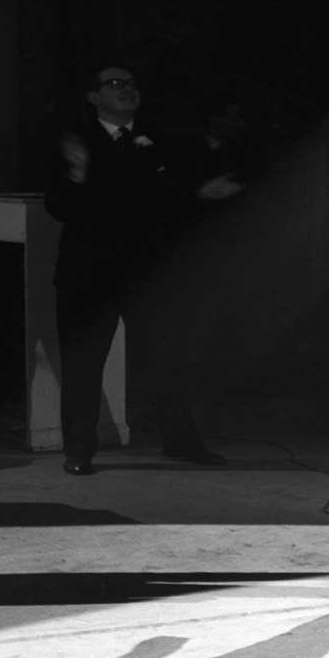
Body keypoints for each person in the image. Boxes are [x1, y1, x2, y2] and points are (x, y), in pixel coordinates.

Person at [43, 64, 224, 475]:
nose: (127, 89)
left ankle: (181, 441)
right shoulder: (75, 142)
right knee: (83, 362)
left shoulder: (156, 140)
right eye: (114, 84)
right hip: (89, 273)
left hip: (146, 273)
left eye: (131, 84)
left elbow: (172, 199)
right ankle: (79, 450)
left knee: (166, 357)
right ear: (93, 97)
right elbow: (58, 206)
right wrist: (77, 173)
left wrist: (201, 194)